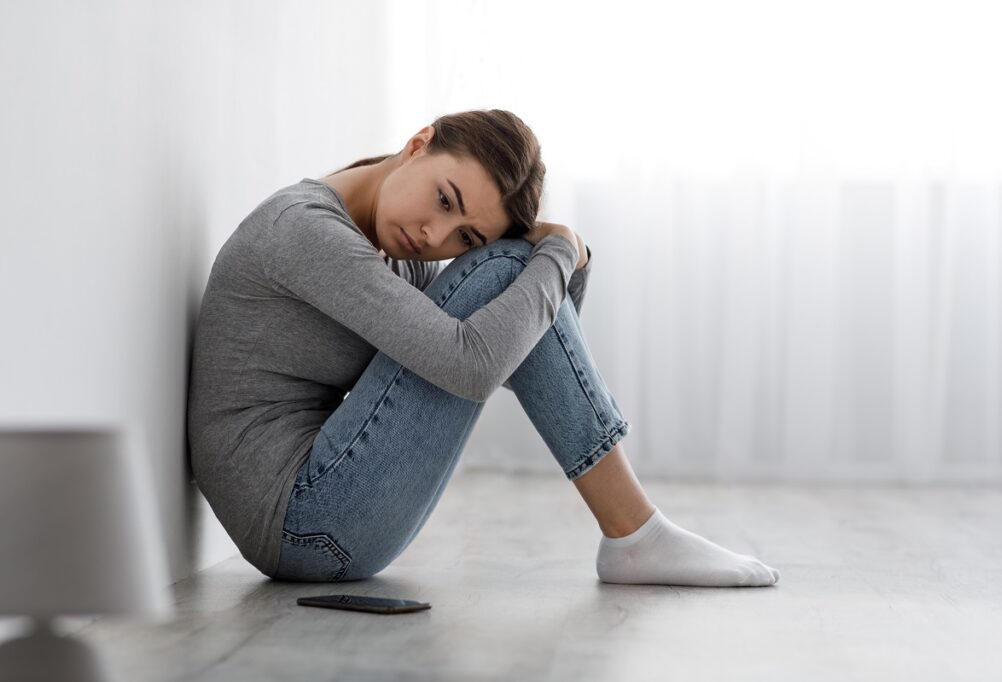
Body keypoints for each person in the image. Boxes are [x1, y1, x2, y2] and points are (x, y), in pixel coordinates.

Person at [187, 109, 780, 587]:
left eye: (463, 235)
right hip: (303, 522)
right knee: (506, 271)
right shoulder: (305, 230)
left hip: (330, 518)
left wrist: (545, 259)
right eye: (445, 200)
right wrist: (563, 248)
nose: (434, 237)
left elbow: (521, 344)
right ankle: (636, 535)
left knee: (513, 272)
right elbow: (474, 368)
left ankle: (637, 536)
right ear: (419, 141)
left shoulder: (392, 252)